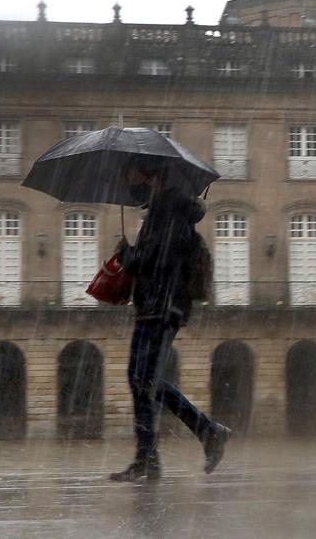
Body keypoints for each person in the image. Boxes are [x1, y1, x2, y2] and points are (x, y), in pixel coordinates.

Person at [108, 157, 230, 483]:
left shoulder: (168, 209)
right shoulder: (162, 210)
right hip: (155, 304)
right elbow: (157, 254)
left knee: (144, 380)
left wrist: (126, 254)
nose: (127, 181)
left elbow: (154, 258)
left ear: (148, 175)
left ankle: (192, 438)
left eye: (130, 173)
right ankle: (156, 455)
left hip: (162, 305)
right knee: (142, 380)